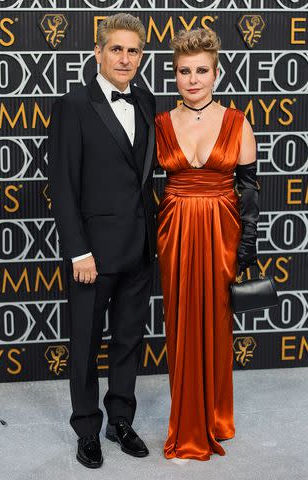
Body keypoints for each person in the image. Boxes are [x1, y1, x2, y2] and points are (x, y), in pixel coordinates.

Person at [48, 13, 156, 469]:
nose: (125, 58)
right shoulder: (74, 103)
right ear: (98, 51)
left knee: (129, 339)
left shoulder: (148, 99)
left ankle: (120, 421)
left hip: (139, 247)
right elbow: (63, 182)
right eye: (117, 49)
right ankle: (87, 429)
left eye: (133, 51)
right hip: (91, 253)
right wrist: (78, 250)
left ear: (141, 57)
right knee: (87, 343)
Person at [155, 28, 259, 461]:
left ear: (216, 73)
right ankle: (187, 422)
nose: (192, 79)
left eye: (201, 71)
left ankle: (215, 415)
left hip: (222, 231)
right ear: (175, 74)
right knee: (179, 324)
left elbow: (249, 190)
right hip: (175, 229)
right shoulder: (160, 123)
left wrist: (247, 245)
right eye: (184, 71)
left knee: (217, 324)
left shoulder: (237, 121)